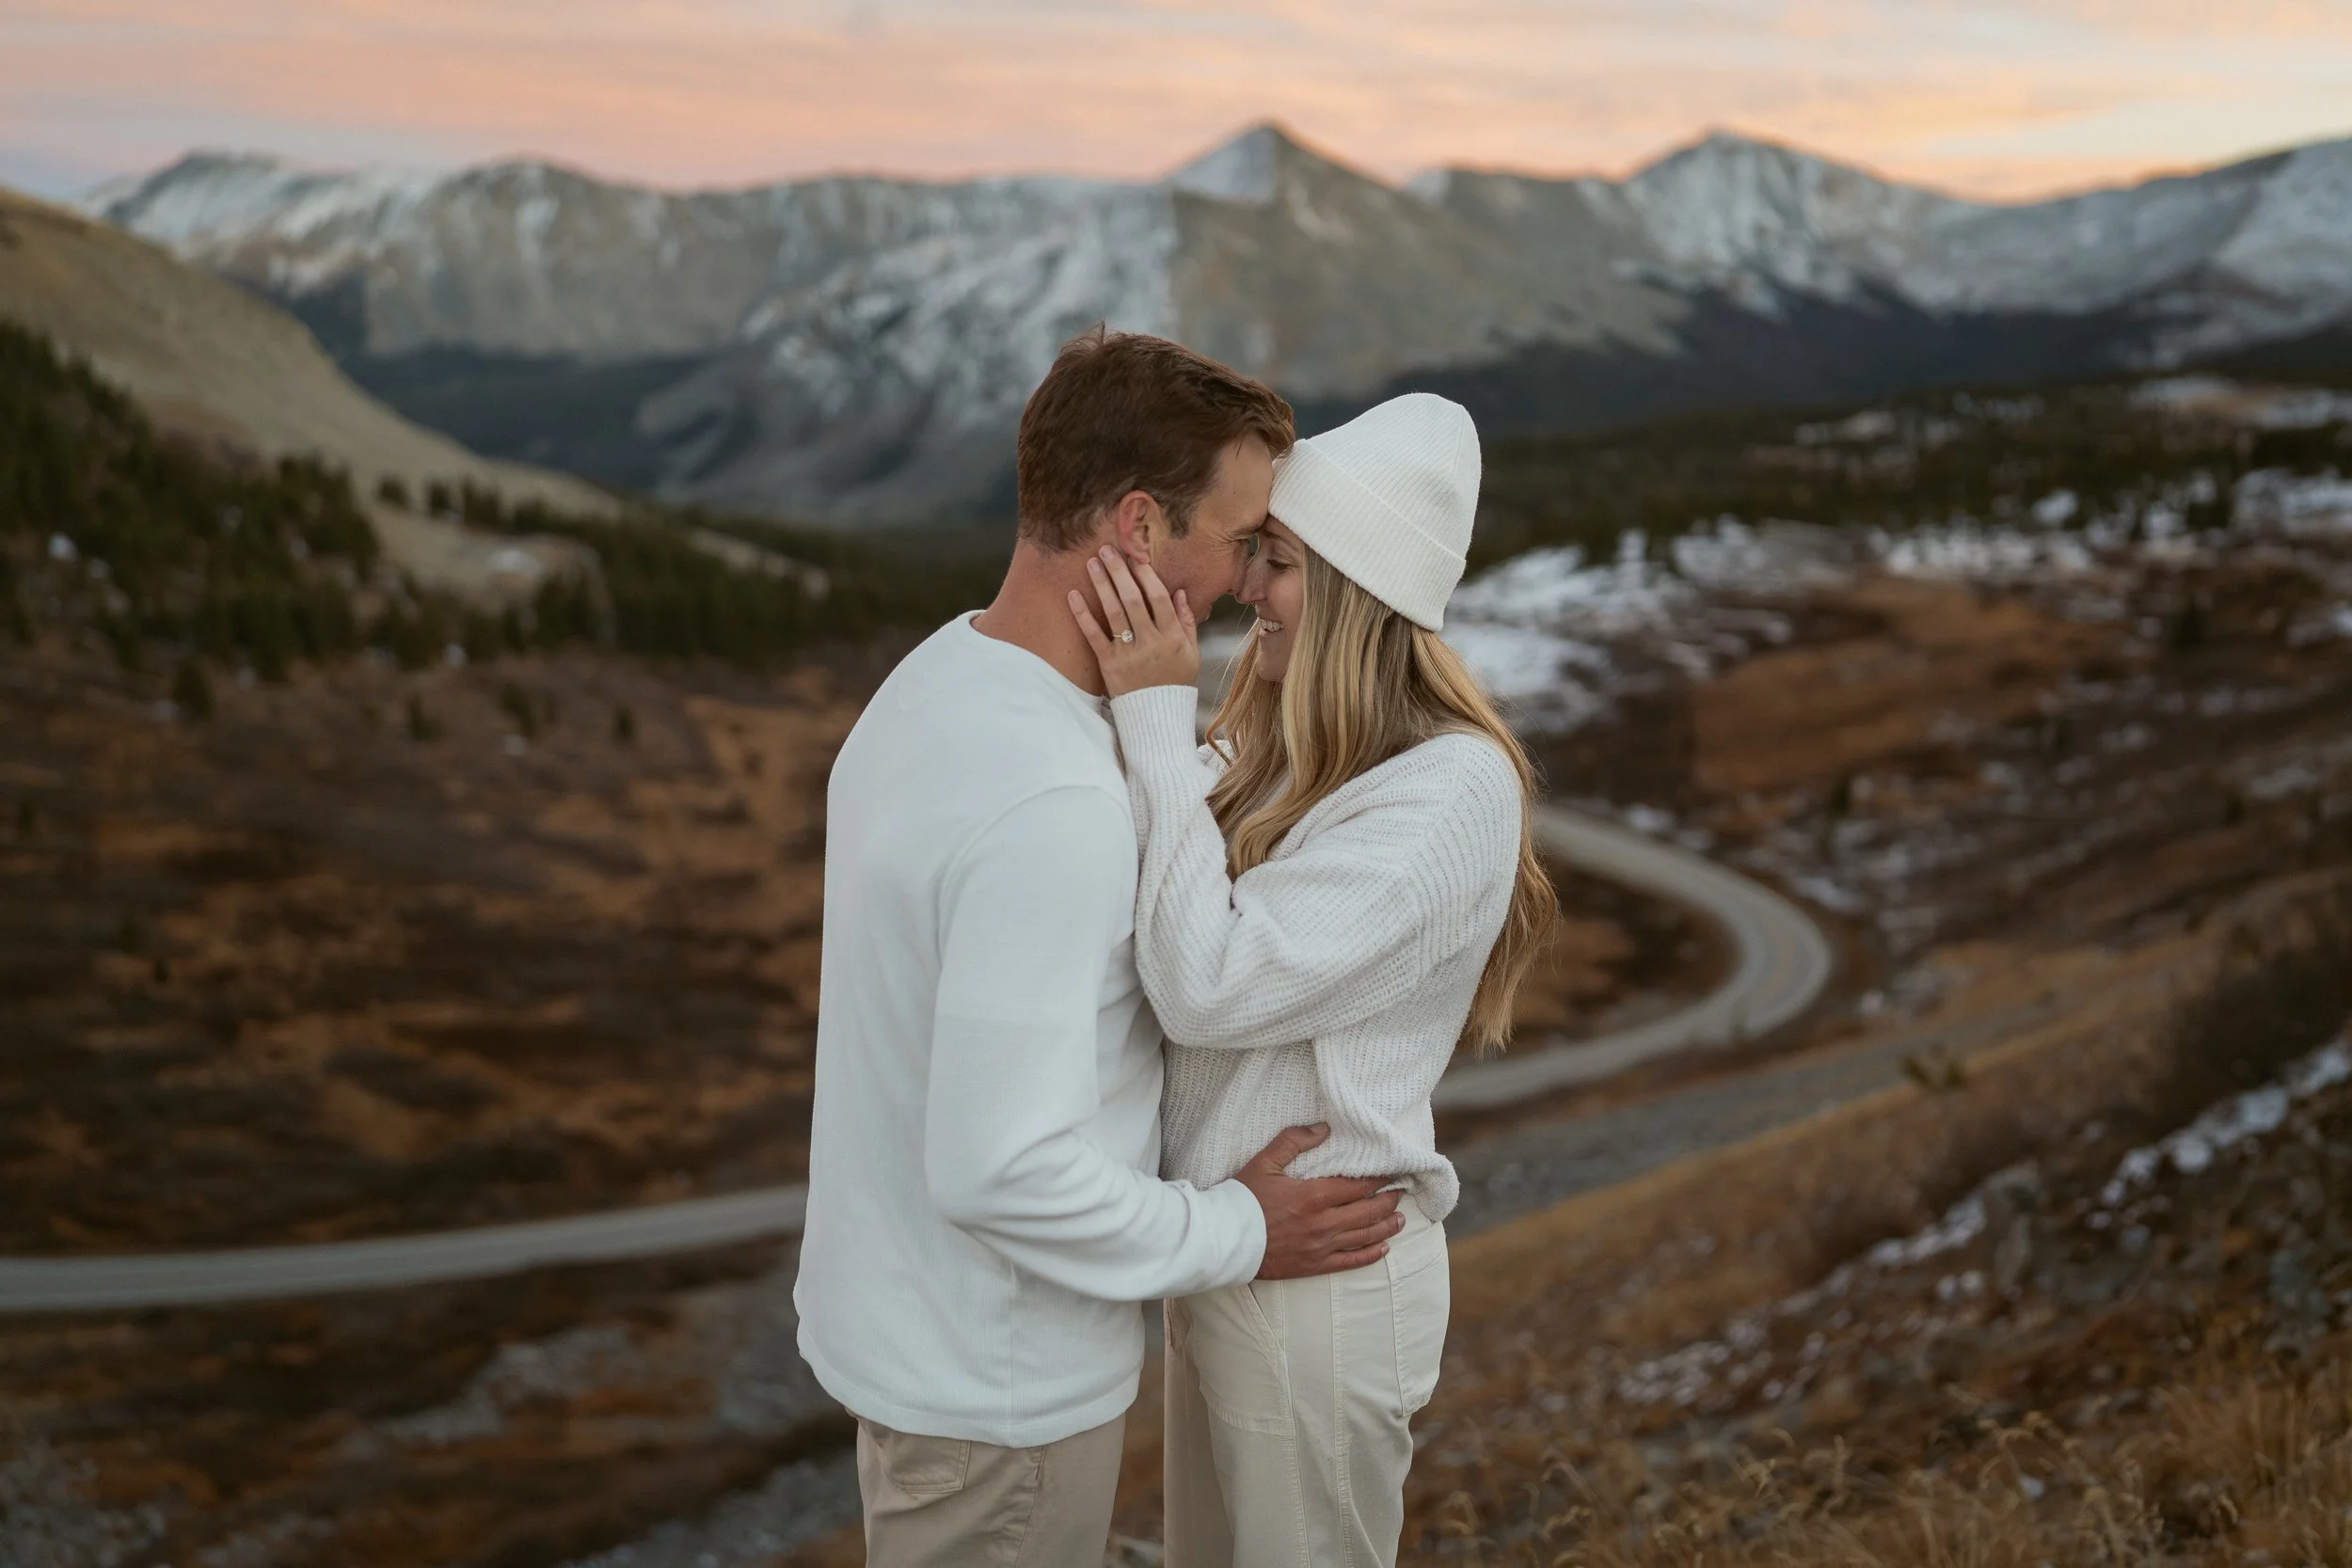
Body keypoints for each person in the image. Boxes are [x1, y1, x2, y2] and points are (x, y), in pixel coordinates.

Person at [795, 327, 1410, 1566]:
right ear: (1137, 526)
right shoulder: (1052, 803)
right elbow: (1001, 1167)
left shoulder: (940, 676)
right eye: (1241, 538)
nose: (1250, 578)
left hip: (922, 1342)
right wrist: (1241, 1228)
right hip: (999, 1391)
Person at [1067, 391, 1557, 1568]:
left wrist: (1149, 709)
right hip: (1236, 1249)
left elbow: (1207, 983)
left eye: (1275, 562)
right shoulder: (1284, 741)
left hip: (1320, 1285)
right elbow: (1151, 841)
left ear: (1350, 585)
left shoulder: (1450, 790)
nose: (1246, 588)